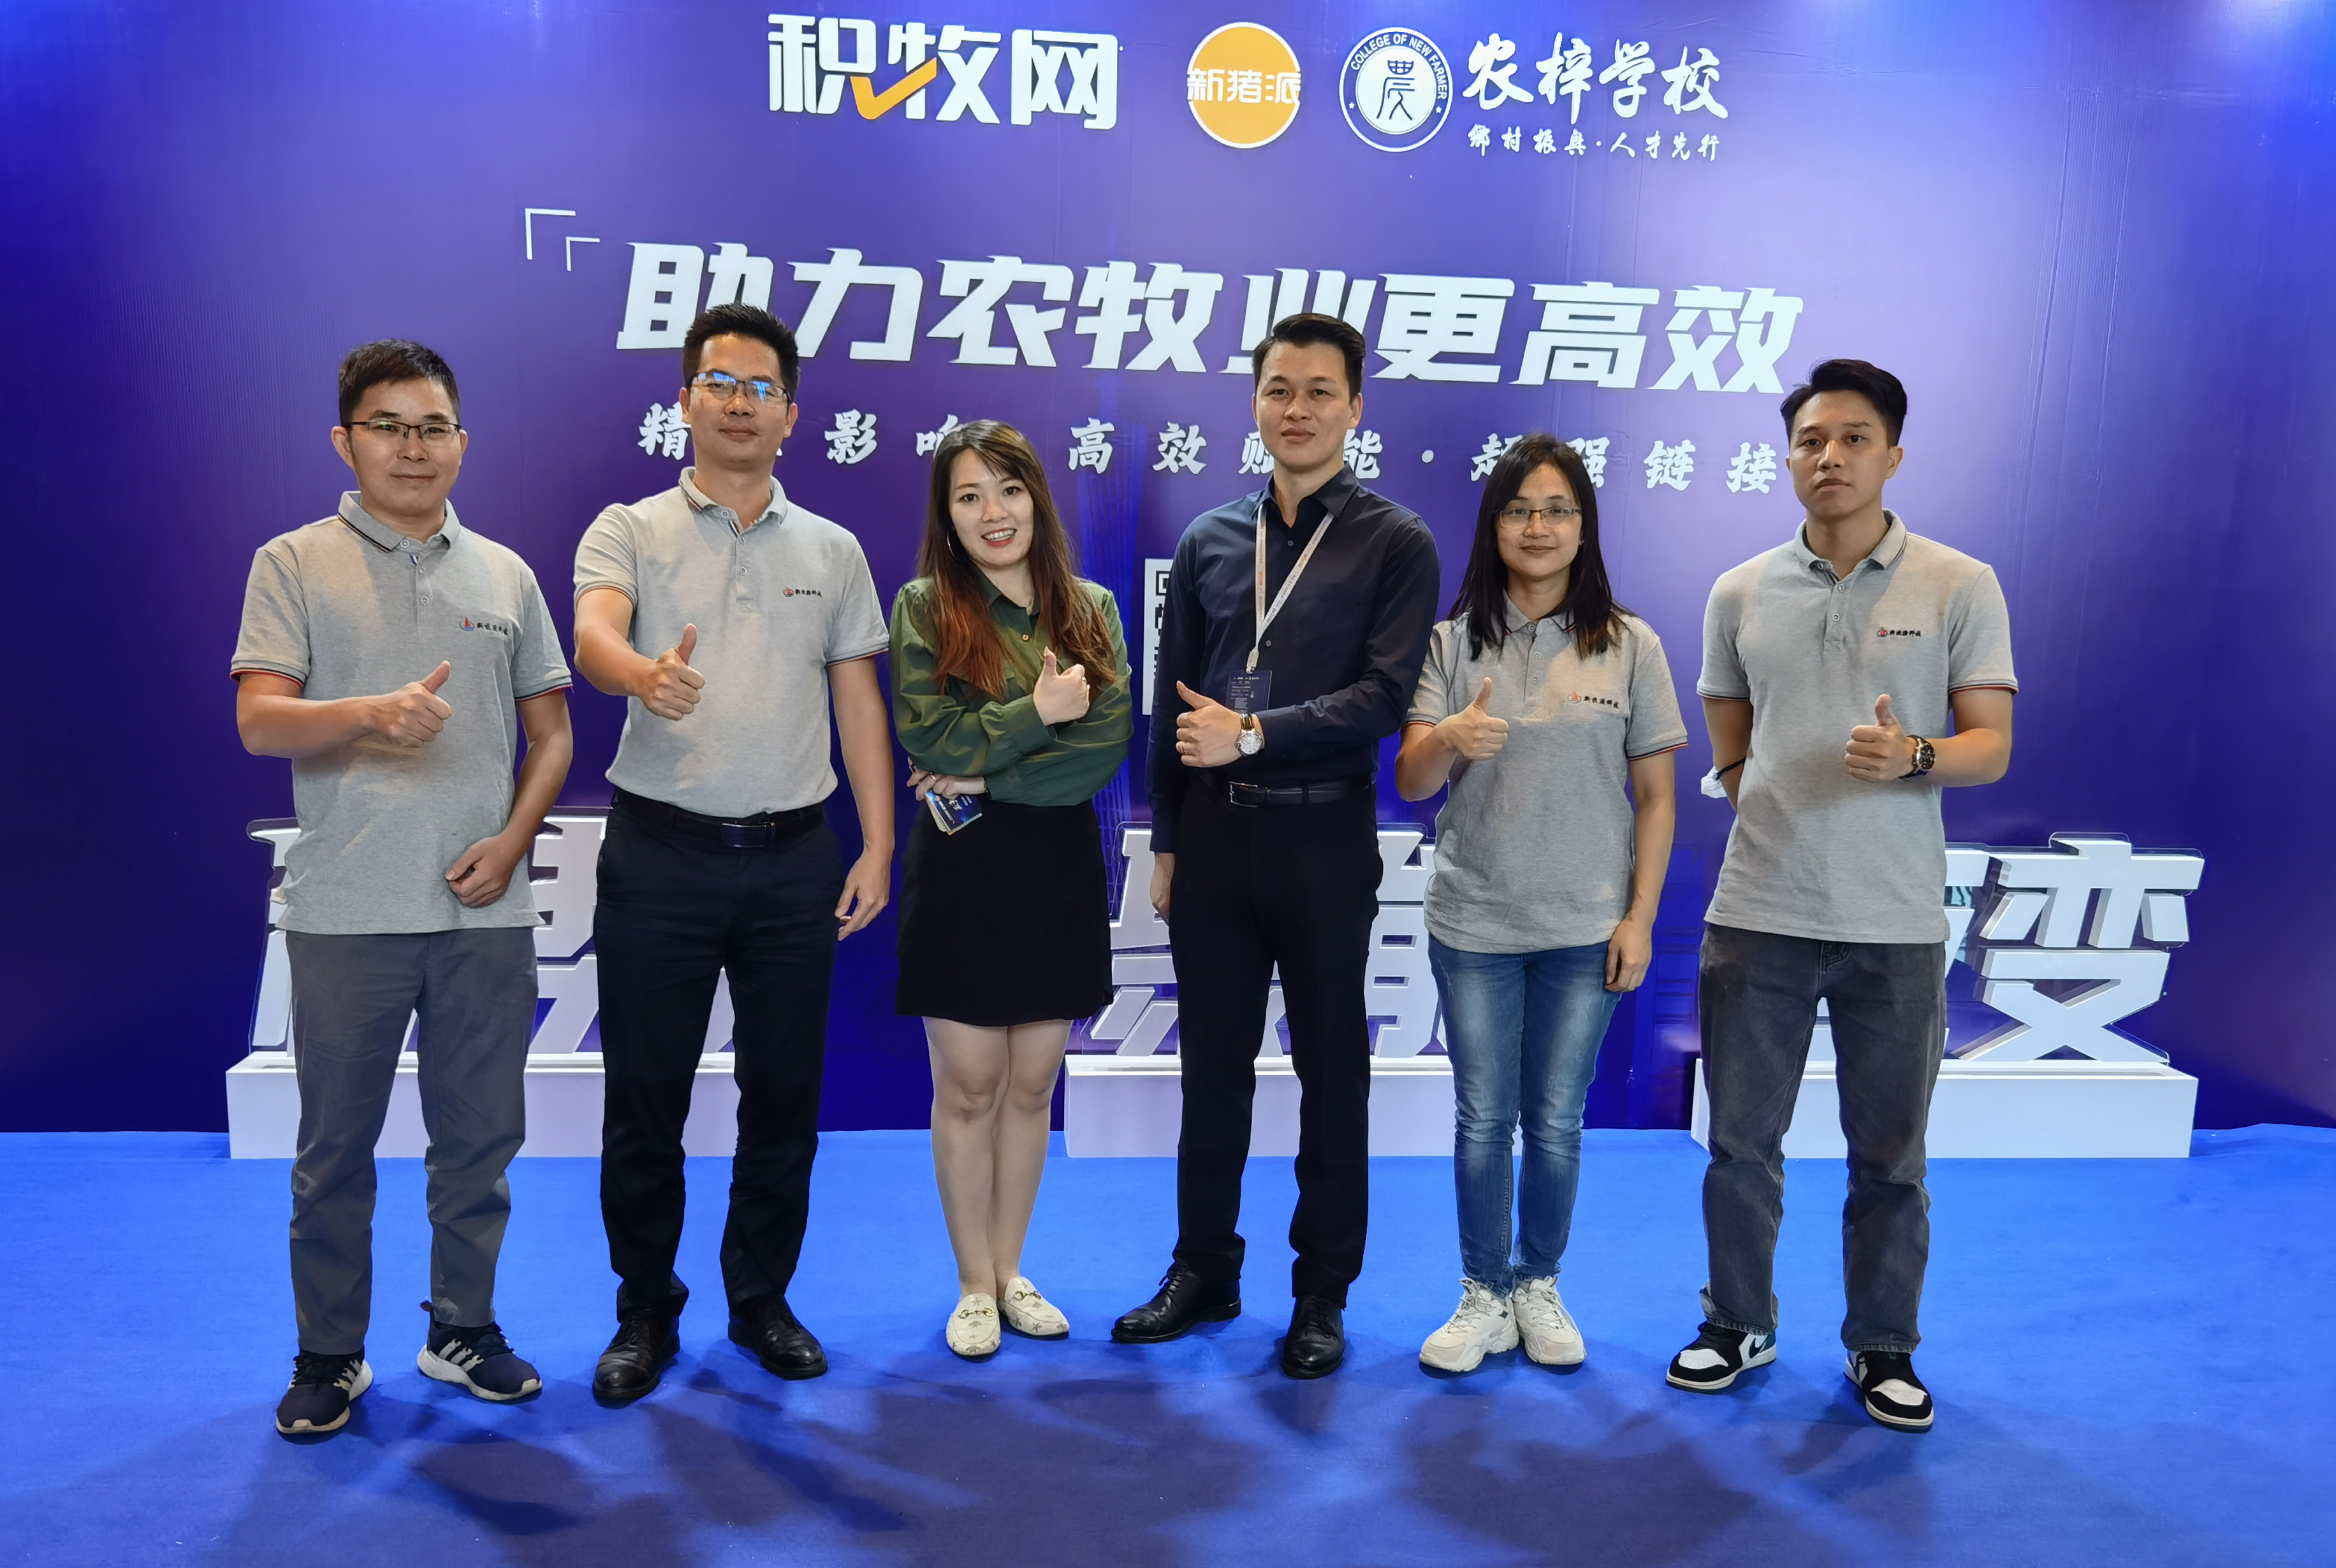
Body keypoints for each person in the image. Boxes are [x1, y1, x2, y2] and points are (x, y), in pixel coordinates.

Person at [233, 340, 574, 1437]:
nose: (412, 448)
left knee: (481, 1143)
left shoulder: (507, 575)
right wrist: (371, 713)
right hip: (346, 909)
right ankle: (331, 1353)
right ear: (347, 440)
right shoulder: (292, 562)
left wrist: (514, 841)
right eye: (387, 426)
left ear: (462, 443)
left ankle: (461, 1328)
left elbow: (553, 736)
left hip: (483, 910)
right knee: (334, 1153)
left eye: (432, 428)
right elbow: (259, 720)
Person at [1671, 359, 2015, 1432]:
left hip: (1895, 921)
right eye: (1812, 440)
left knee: (1891, 1160)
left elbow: (1992, 746)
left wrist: (1915, 756)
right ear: (1790, 457)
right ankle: (1739, 1321)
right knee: (1740, 1148)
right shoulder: (1739, 590)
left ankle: (1883, 1344)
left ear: (1893, 455)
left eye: (1854, 438)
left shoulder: (1960, 582)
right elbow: (1733, 749)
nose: (1831, 457)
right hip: (1758, 915)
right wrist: (1779, 804)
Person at [571, 303, 894, 1401]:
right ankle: (644, 1311)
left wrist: (877, 843)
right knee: (645, 1097)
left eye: (762, 388)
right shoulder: (629, 528)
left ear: (792, 415)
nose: (741, 403)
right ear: (685, 402)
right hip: (658, 856)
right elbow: (595, 633)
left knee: (784, 1097)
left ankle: (761, 1299)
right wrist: (640, 673)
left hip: (795, 859)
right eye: (720, 382)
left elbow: (859, 704)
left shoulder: (832, 551)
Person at [1113, 313, 1440, 1379]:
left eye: (1319, 392)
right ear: (1255, 403)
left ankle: (1321, 1292)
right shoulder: (1211, 538)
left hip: (1323, 835)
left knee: (1332, 1069)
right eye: (1278, 390)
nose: (1297, 410)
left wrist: (1254, 732)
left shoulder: (1396, 541)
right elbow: (1171, 703)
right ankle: (1203, 1267)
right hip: (1212, 840)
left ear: (1355, 408)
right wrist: (1166, 838)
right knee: (1210, 1068)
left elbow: (1385, 697)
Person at [1396, 433, 1685, 1374]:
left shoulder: (1630, 644)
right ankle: (1484, 1292)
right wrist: (1451, 736)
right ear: (1494, 525)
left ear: (1584, 527)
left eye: (1559, 510)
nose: (1538, 527)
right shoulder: (1452, 641)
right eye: (1519, 509)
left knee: (1556, 1119)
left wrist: (1640, 917)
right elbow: (1410, 779)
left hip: (1585, 926)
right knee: (1483, 1117)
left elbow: (1658, 799)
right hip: (1475, 921)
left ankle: (1539, 1283)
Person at [889, 421, 1132, 1358]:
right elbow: (928, 738)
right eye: (969, 496)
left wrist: (987, 773)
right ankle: (971, 1286)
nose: (993, 512)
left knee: (1032, 1086)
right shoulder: (925, 606)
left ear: (1037, 498)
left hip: (1054, 863)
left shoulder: (1091, 609)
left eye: (1009, 489)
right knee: (970, 1085)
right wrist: (1037, 713)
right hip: (962, 868)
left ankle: (1009, 1270)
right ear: (947, 516)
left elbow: (1103, 746)